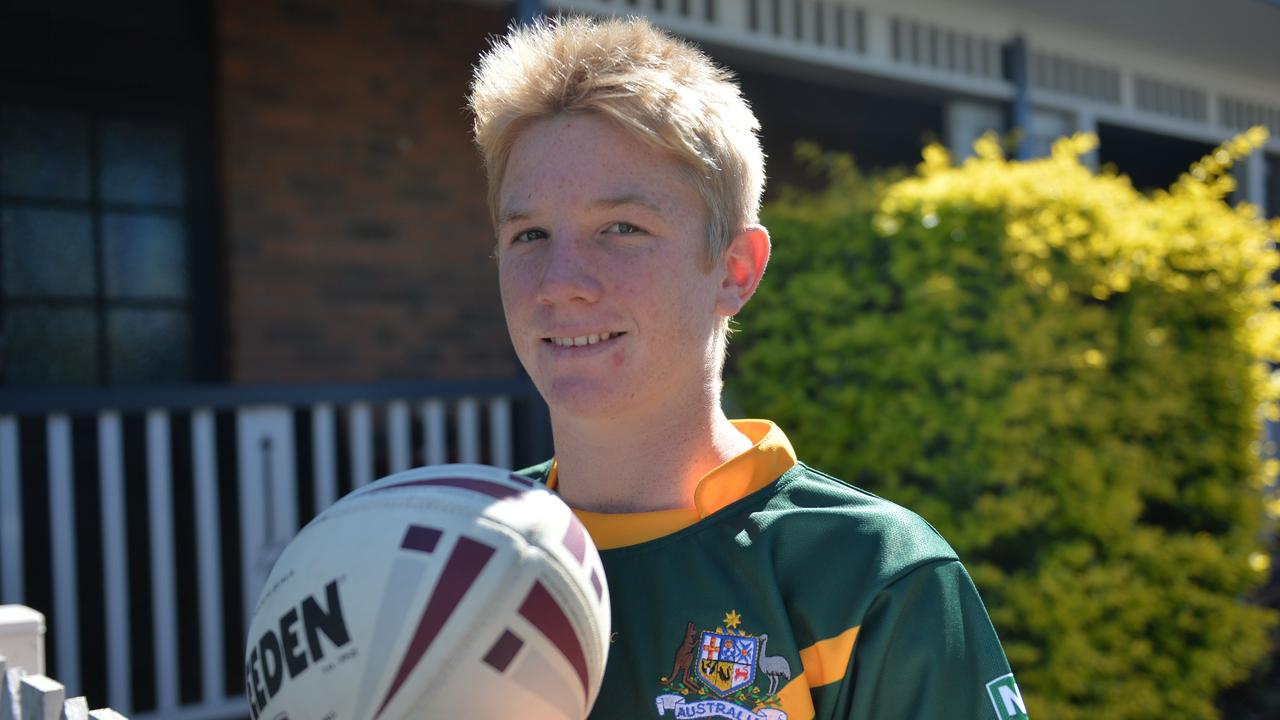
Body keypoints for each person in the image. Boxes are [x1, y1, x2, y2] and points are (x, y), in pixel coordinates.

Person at [467, 14, 1027, 720]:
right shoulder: (446, 554)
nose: (560, 280)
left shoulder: (873, 580)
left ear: (735, 269)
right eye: (530, 235)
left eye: (622, 229)